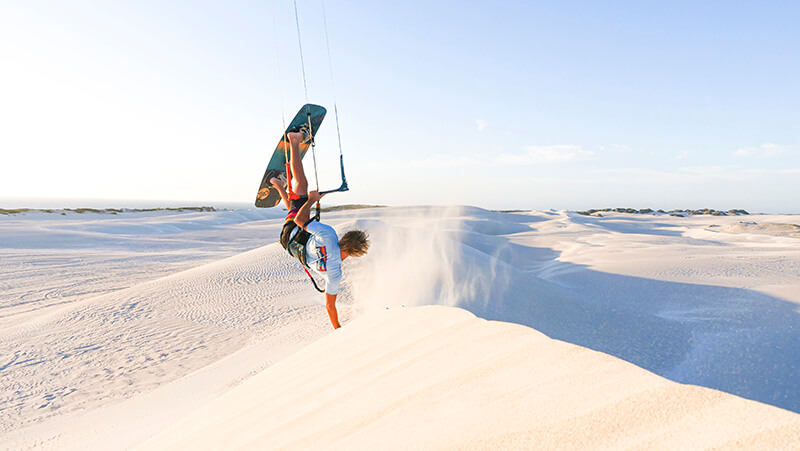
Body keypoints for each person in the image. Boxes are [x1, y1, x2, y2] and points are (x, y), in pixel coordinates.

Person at [271, 128, 369, 329]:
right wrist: (337, 329)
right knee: (298, 205)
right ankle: (278, 185)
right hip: (289, 244)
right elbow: (330, 306)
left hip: (294, 232)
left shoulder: (329, 235)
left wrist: (313, 200)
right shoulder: (335, 274)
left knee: (301, 189)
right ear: (355, 253)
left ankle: (295, 141)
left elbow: (299, 219)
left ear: (346, 238)